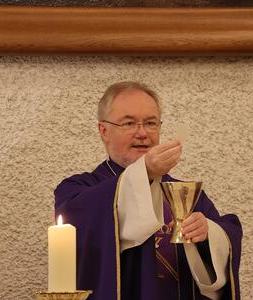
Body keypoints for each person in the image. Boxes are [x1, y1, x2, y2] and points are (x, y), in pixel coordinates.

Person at [55, 81, 242, 300]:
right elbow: (79, 224)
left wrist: (208, 234)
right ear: (103, 131)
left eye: (151, 123)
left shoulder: (185, 194)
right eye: (129, 123)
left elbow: (226, 237)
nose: (142, 133)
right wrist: (143, 173)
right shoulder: (78, 189)